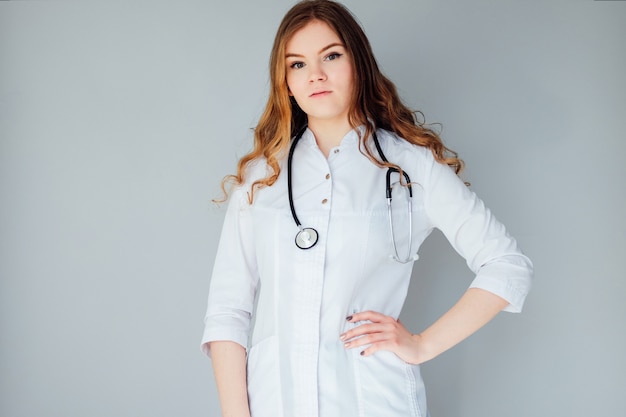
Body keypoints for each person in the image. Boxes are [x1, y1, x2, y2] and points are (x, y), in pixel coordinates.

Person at [201, 1, 533, 416]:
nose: (316, 75)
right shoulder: (260, 179)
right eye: (297, 64)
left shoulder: (409, 167)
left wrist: (422, 344)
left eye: (332, 56)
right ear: (285, 81)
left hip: (374, 401)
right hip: (276, 402)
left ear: (359, 63)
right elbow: (228, 312)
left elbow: (507, 265)